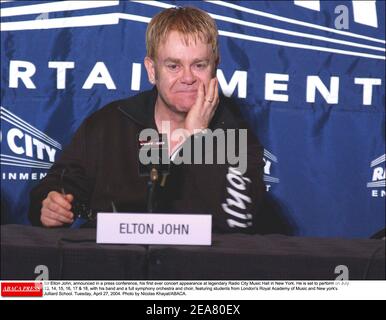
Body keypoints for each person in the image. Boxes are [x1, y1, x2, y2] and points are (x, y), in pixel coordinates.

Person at [29, 6, 266, 233]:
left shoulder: (236, 135)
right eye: (173, 66)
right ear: (152, 70)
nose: (187, 78)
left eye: (199, 65)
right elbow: (56, 189)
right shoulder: (110, 123)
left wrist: (198, 138)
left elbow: (239, 221)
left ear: (214, 68)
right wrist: (50, 205)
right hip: (112, 267)